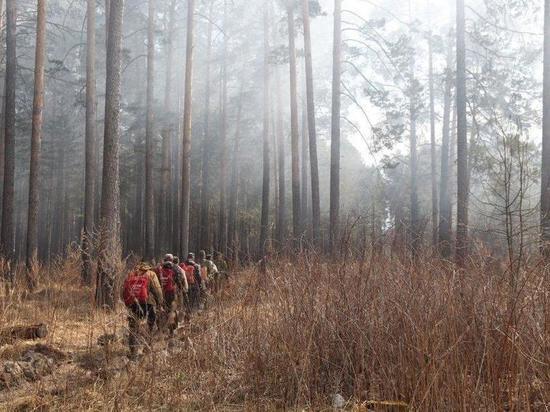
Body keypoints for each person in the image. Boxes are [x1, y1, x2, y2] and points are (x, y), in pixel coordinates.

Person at [122, 261, 163, 360]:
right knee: (150, 324)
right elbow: (157, 290)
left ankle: (133, 352)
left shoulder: (131, 273)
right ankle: (147, 347)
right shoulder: (151, 274)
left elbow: (124, 290)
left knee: (133, 327)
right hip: (148, 303)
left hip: (133, 304)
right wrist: (160, 303)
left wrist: (127, 303)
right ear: (147, 266)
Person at [156, 254, 184, 335]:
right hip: (171, 293)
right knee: (172, 311)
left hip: (161, 293)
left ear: (164, 260)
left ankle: (160, 328)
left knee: (160, 310)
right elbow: (179, 281)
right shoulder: (175, 268)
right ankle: (171, 331)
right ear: (172, 260)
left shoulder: (159, 269)